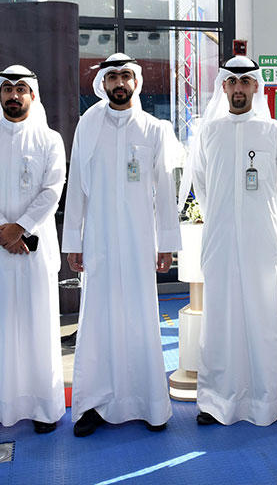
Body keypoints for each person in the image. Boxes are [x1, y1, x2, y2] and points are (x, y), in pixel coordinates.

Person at [62, 53, 181, 437]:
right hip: (98, 240)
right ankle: (94, 405)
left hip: (139, 240)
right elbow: (76, 185)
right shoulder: (88, 124)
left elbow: (164, 189)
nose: (119, 83)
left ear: (136, 81)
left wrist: (166, 243)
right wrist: (74, 240)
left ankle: (148, 403)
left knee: (139, 318)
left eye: (125, 76)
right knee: (98, 320)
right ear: (103, 84)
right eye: (112, 77)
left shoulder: (153, 129)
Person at [0, 66, 66, 439]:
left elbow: (52, 189)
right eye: (7, 89)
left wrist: (20, 226)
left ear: (32, 95)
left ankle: (43, 406)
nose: (14, 95)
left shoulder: (50, 139)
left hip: (33, 247)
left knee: (36, 325)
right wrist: (2, 230)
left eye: (21, 88)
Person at [192, 56, 277, 426]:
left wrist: (257, 219)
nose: (238, 89)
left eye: (245, 82)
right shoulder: (209, 131)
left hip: (261, 238)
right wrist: (222, 217)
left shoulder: (274, 131)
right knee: (220, 318)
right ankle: (216, 401)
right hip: (219, 238)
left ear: (255, 87)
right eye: (232, 82)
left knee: (263, 317)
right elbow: (202, 185)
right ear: (223, 87)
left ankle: (265, 402)